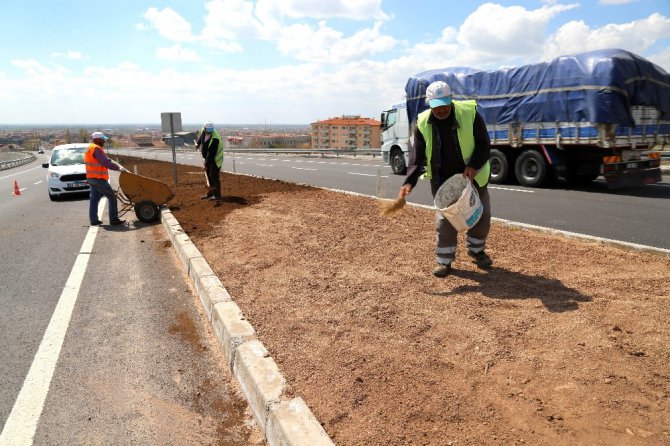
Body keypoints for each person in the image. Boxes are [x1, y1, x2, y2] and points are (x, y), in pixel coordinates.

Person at [398, 80, 493, 277]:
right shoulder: (423, 122)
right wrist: (409, 181)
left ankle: (476, 251)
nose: (441, 110)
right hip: (443, 179)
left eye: (444, 104)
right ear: (429, 104)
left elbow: (484, 143)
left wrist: (473, 165)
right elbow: (417, 155)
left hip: (472, 176)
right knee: (446, 221)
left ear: (451, 99)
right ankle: (444, 261)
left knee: (481, 215)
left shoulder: (470, 114)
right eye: (436, 106)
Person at [85, 131, 128, 226]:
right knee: (112, 197)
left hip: (91, 178)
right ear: (97, 139)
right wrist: (118, 168)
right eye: (103, 139)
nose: (104, 141)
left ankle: (94, 220)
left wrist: (107, 159)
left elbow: (100, 159)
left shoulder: (90, 148)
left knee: (94, 199)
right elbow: (105, 163)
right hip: (98, 178)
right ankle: (113, 220)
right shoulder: (96, 148)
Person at [195, 121, 224, 206]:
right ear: (204, 128)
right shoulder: (204, 131)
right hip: (207, 158)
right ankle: (210, 194)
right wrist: (198, 143)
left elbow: (211, 154)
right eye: (208, 130)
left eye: (211, 130)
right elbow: (202, 137)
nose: (209, 132)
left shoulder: (215, 138)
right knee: (208, 176)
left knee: (214, 177)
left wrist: (206, 165)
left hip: (215, 160)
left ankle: (218, 197)